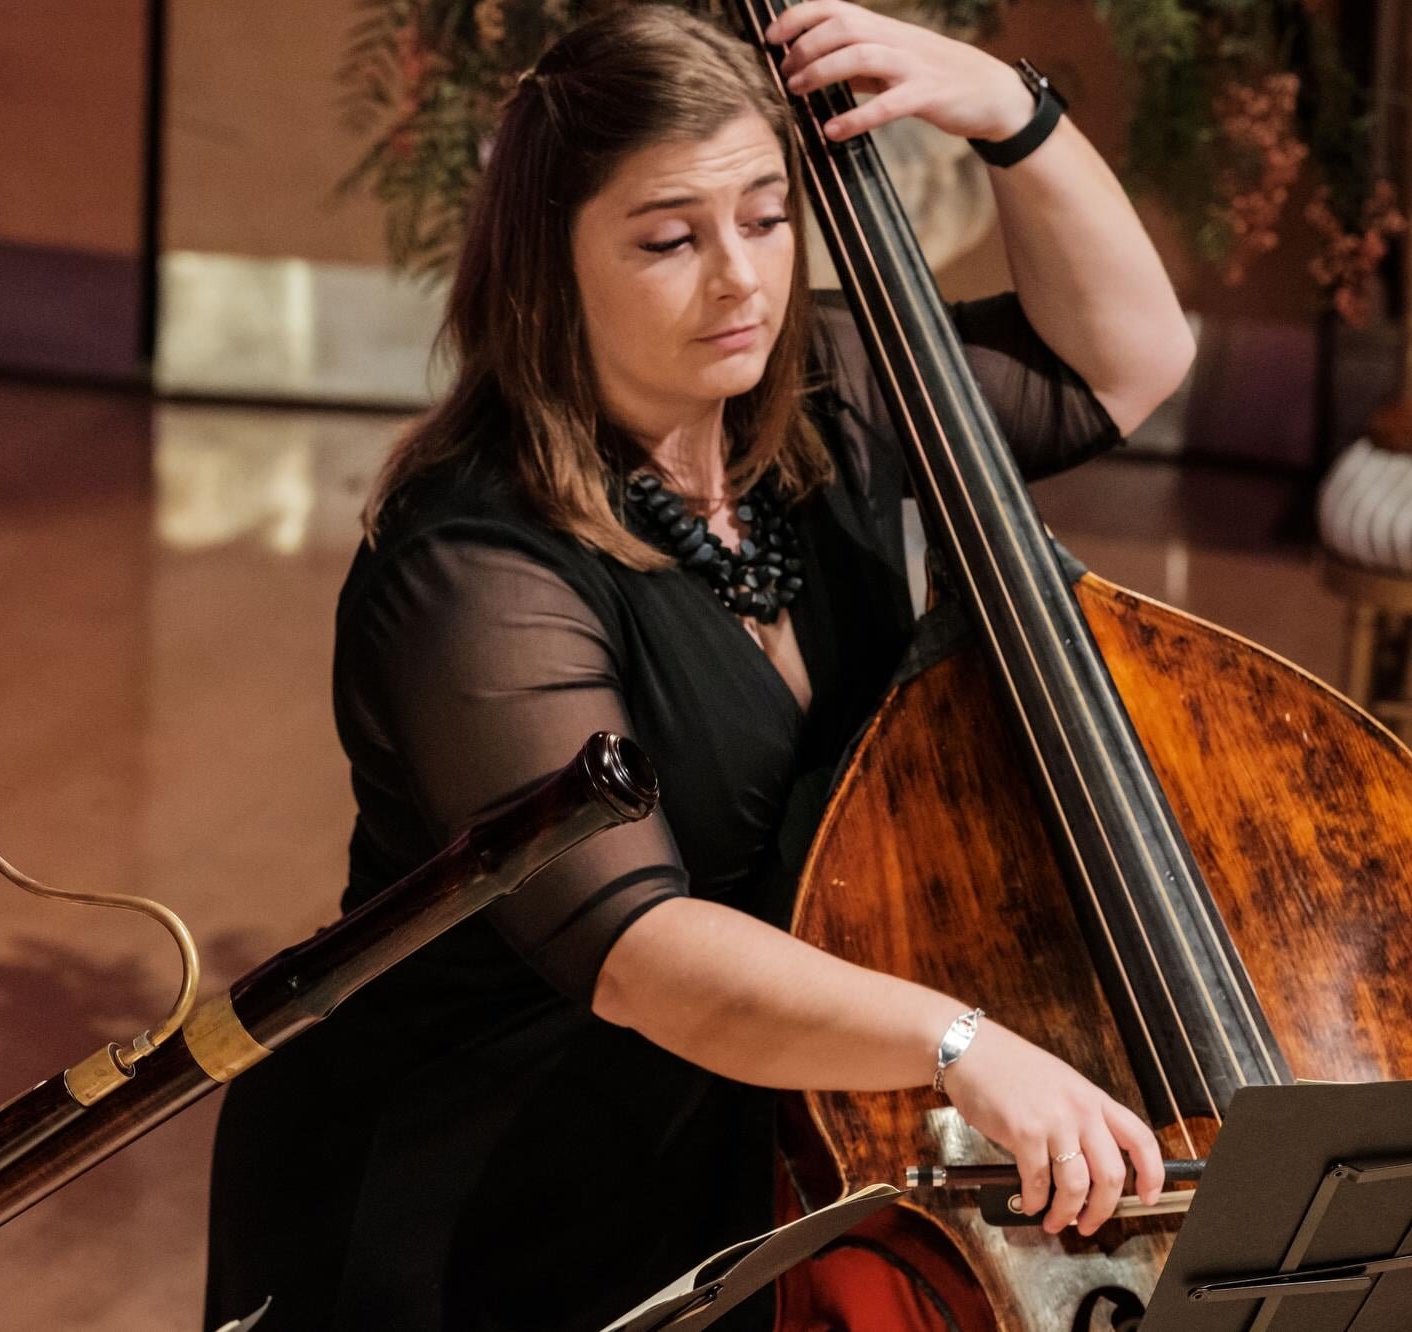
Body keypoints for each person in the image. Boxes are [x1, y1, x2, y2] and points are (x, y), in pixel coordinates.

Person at [206, 4, 1196, 1329]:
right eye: (670, 238)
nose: (739, 276)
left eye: (768, 216)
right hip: (486, 1190)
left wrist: (1005, 106)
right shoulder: (470, 564)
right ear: (549, 266)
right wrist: (956, 1043)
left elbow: (1127, 363)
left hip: (743, 1137)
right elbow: (639, 951)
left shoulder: (822, 398)